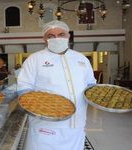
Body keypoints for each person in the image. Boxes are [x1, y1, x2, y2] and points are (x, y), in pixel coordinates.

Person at [17, 20, 96, 150]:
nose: (56, 38)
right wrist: (43, 107)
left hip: (77, 121)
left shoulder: (81, 59)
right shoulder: (35, 59)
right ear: (44, 39)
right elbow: (24, 88)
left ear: (68, 36)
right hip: (46, 125)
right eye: (50, 36)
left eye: (61, 34)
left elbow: (90, 85)